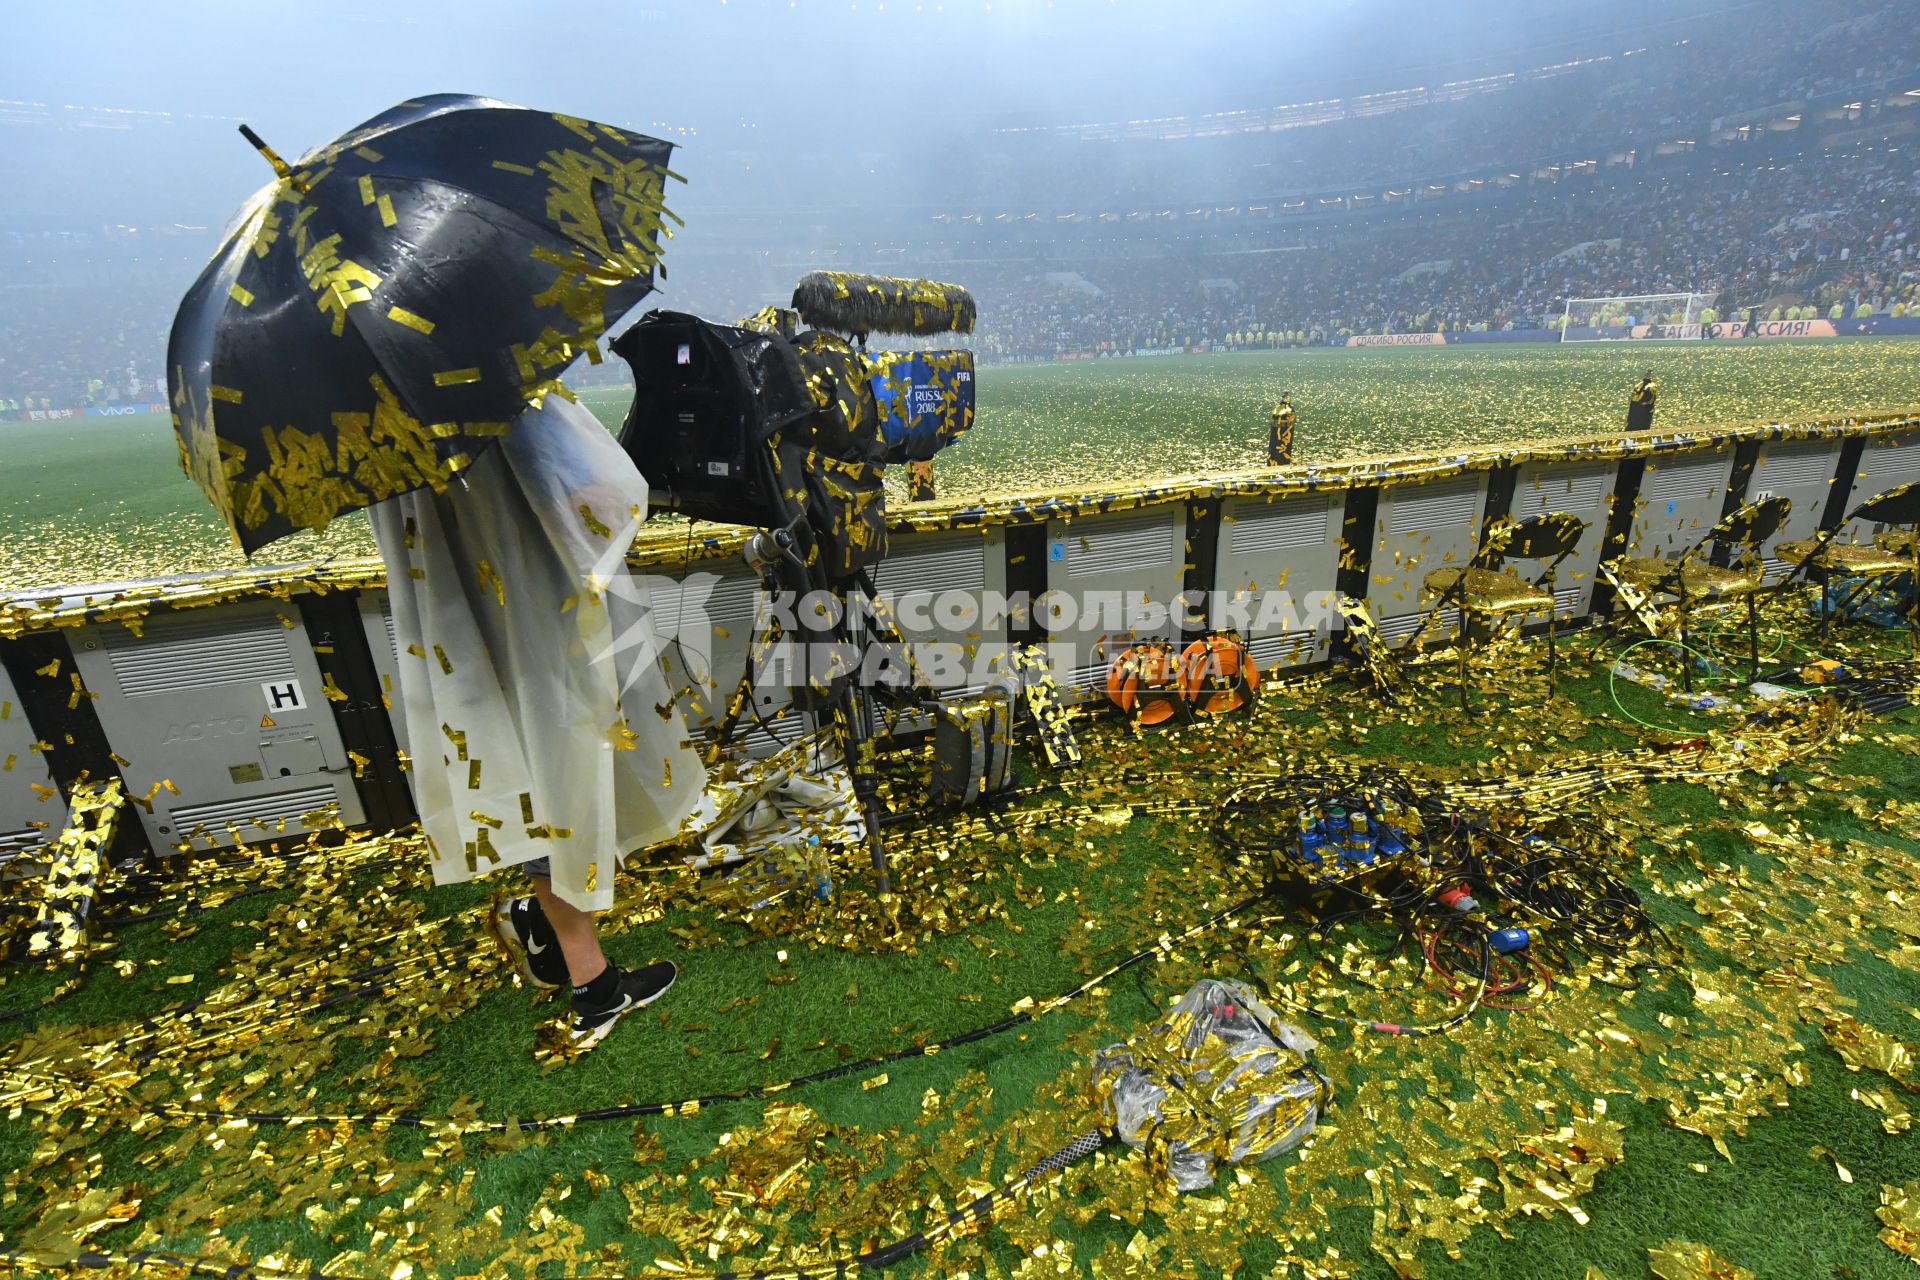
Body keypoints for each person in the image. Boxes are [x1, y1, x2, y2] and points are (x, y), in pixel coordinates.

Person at [369, 392, 707, 1051]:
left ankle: (541, 925)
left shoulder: (374, 420)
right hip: (539, 612)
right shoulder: (499, 388)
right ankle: (596, 988)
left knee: (517, 772)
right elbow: (606, 500)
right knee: (564, 780)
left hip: (454, 629)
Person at [1268, 391, 1297, 465]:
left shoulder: (1287, 410)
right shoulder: (1280, 409)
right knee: (1277, 448)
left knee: (1280, 448)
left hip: (1284, 431)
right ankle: (1276, 462)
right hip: (1280, 431)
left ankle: (1279, 462)